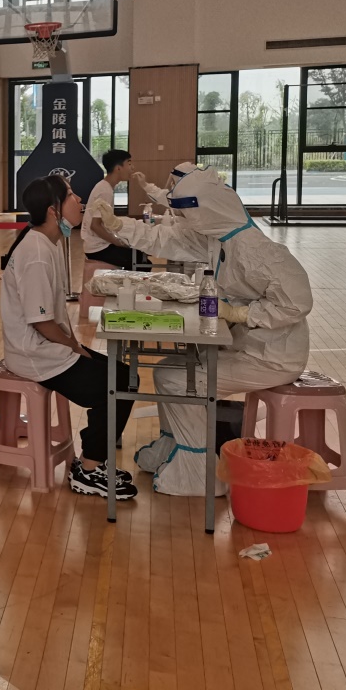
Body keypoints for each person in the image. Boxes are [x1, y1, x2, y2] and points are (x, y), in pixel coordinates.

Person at [90, 166, 313, 496]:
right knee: (166, 371)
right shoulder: (218, 239)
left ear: (205, 209)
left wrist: (241, 313)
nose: (184, 220)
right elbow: (167, 239)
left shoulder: (254, 249)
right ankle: (174, 447)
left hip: (272, 357)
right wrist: (121, 226)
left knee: (177, 381)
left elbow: (298, 302)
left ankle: (200, 470)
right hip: (246, 346)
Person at [1, 174, 137, 499]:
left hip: (48, 347)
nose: (79, 201)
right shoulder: (36, 252)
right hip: (36, 355)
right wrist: (76, 348)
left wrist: (74, 347)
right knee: (117, 383)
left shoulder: (47, 242)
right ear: (53, 211)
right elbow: (41, 322)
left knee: (122, 375)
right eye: (72, 196)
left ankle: (92, 461)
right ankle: (88, 470)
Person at [82, 149, 138, 270]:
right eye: (129, 163)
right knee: (140, 261)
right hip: (97, 248)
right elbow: (95, 225)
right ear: (118, 168)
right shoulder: (105, 191)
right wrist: (117, 242)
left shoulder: (105, 187)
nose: (132, 168)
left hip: (99, 245)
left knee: (138, 254)